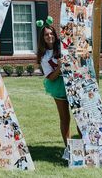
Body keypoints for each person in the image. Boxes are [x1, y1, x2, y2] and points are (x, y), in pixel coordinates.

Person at [36, 17, 75, 161]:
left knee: (80, 116)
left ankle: (84, 145)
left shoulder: (63, 47)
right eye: (46, 34)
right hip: (58, 85)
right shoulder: (44, 56)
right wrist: (60, 67)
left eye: (51, 33)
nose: (49, 36)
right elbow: (50, 77)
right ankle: (69, 148)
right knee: (65, 118)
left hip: (74, 82)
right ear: (43, 38)